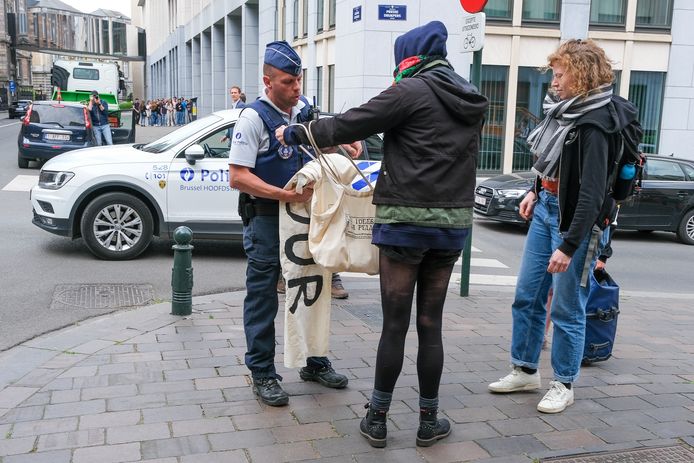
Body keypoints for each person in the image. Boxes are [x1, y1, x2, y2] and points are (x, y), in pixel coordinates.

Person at [277, 21, 488, 447]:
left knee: (395, 325)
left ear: (408, 57)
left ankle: (377, 417)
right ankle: (429, 422)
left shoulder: (409, 90)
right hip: (451, 228)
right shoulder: (467, 95)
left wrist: (299, 131)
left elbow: (351, 124)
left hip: (405, 225)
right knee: (431, 324)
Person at [488, 39, 639, 414]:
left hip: (576, 222)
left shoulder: (595, 123)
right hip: (546, 208)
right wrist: (535, 190)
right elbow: (554, 162)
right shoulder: (564, 112)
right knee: (527, 295)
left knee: (568, 308)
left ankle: (564, 383)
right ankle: (524, 370)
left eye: (560, 74)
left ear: (580, 75)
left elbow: (590, 193)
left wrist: (569, 245)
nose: (553, 82)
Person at [228, 40, 360, 407]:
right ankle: (262, 373)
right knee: (263, 297)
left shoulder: (302, 109)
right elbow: (238, 177)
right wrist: (284, 196)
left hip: (307, 217)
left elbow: (321, 144)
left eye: (298, 79)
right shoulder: (253, 118)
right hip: (268, 218)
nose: (297, 88)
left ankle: (314, 361)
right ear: (268, 82)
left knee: (312, 286)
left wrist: (345, 145)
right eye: (288, 81)